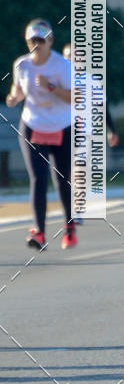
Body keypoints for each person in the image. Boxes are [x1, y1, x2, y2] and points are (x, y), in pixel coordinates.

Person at [7, 20, 76, 249]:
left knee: (62, 179)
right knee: (38, 178)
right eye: (32, 41)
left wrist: (50, 87)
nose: (37, 45)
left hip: (61, 126)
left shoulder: (62, 66)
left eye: (41, 40)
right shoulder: (22, 65)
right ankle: (39, 232)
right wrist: (13, 98)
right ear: (27, 42)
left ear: (50, 41)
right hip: (33, 125)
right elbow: (18, 91)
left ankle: (69, 227)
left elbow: (74, 98)